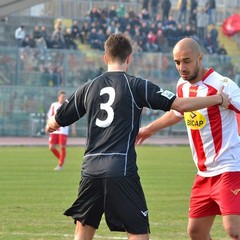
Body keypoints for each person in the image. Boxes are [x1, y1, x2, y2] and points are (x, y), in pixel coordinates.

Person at [45, 33, 229, 240]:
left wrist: (51, 125)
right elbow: (180, 105)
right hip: (121, 168)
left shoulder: (88, 88)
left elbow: (57, 120)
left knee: (84, 229)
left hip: (90, 169)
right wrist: (218, 98)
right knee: (138, 234)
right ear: (129, 58)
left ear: (105, 58)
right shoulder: (136, 85)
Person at [136, 37, 240, 240]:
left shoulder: (222, 85)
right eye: (177, 62)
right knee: (196, 233)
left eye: (187, 61)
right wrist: (149, 129)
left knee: (234, 229)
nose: (181, 67)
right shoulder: (182, 86)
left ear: (200, 58)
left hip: (229, 167)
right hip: (203, 173)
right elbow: (178, 112)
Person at [45, 90, 69, 171]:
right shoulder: (54, 105)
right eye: (62, 97)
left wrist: (73, 128)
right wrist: (47, 126)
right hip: (54, 129)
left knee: (62, 147)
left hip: (63, 129)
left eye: (65, 97)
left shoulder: (67, 106)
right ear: (59, 97)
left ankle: (60, 165)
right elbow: (49, 116)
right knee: (51, 147)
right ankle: (61, 159)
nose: (64, 98)